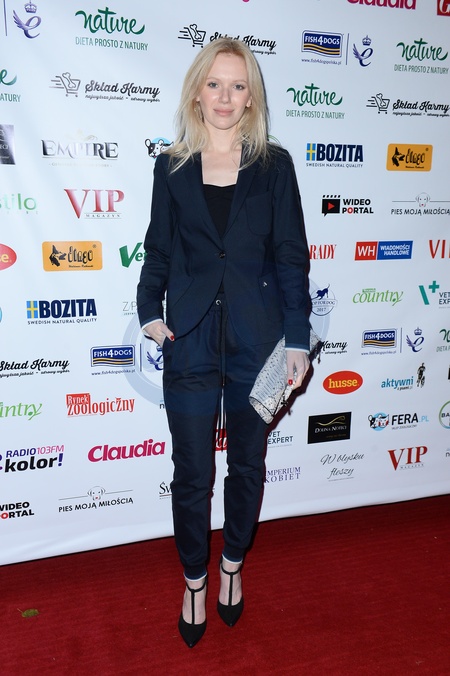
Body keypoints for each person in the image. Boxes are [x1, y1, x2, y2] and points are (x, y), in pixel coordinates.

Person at [137, 38, 311, 648]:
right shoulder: (171, 166)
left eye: (238, 86)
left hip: (256, 341)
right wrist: (148, 311)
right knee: (191, 472)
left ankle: (232, 564)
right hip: (187, 340)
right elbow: (158, 248)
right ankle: (194, 578)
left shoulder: (274, 166)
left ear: (251, 97)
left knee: (247, 465)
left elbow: (290, 255)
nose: (225, 96)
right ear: (196, 91)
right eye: (215, 83)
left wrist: (297, 338)